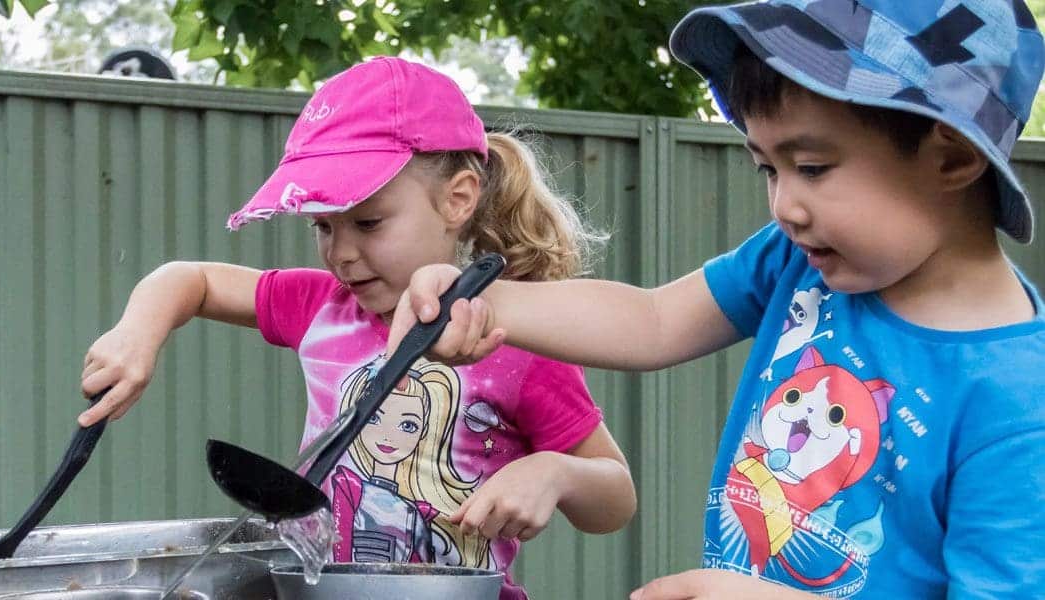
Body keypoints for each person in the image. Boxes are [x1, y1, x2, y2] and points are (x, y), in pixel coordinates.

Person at [387, 2, 1045, 598]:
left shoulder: (1019, 401)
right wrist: (486, 303)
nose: (785, 205)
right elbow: (653, 321)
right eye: (769, 169)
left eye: (812, 167)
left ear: (953, 158)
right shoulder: (799, 261)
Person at [77, 57, 636, 600]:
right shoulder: (322, 306)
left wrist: (554, 473)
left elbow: (615, 498)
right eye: (323, 225)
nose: (341, 254)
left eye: (368, 222)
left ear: (457, 199)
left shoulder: (518, 342)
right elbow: (191, 279)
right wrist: (136, 333)